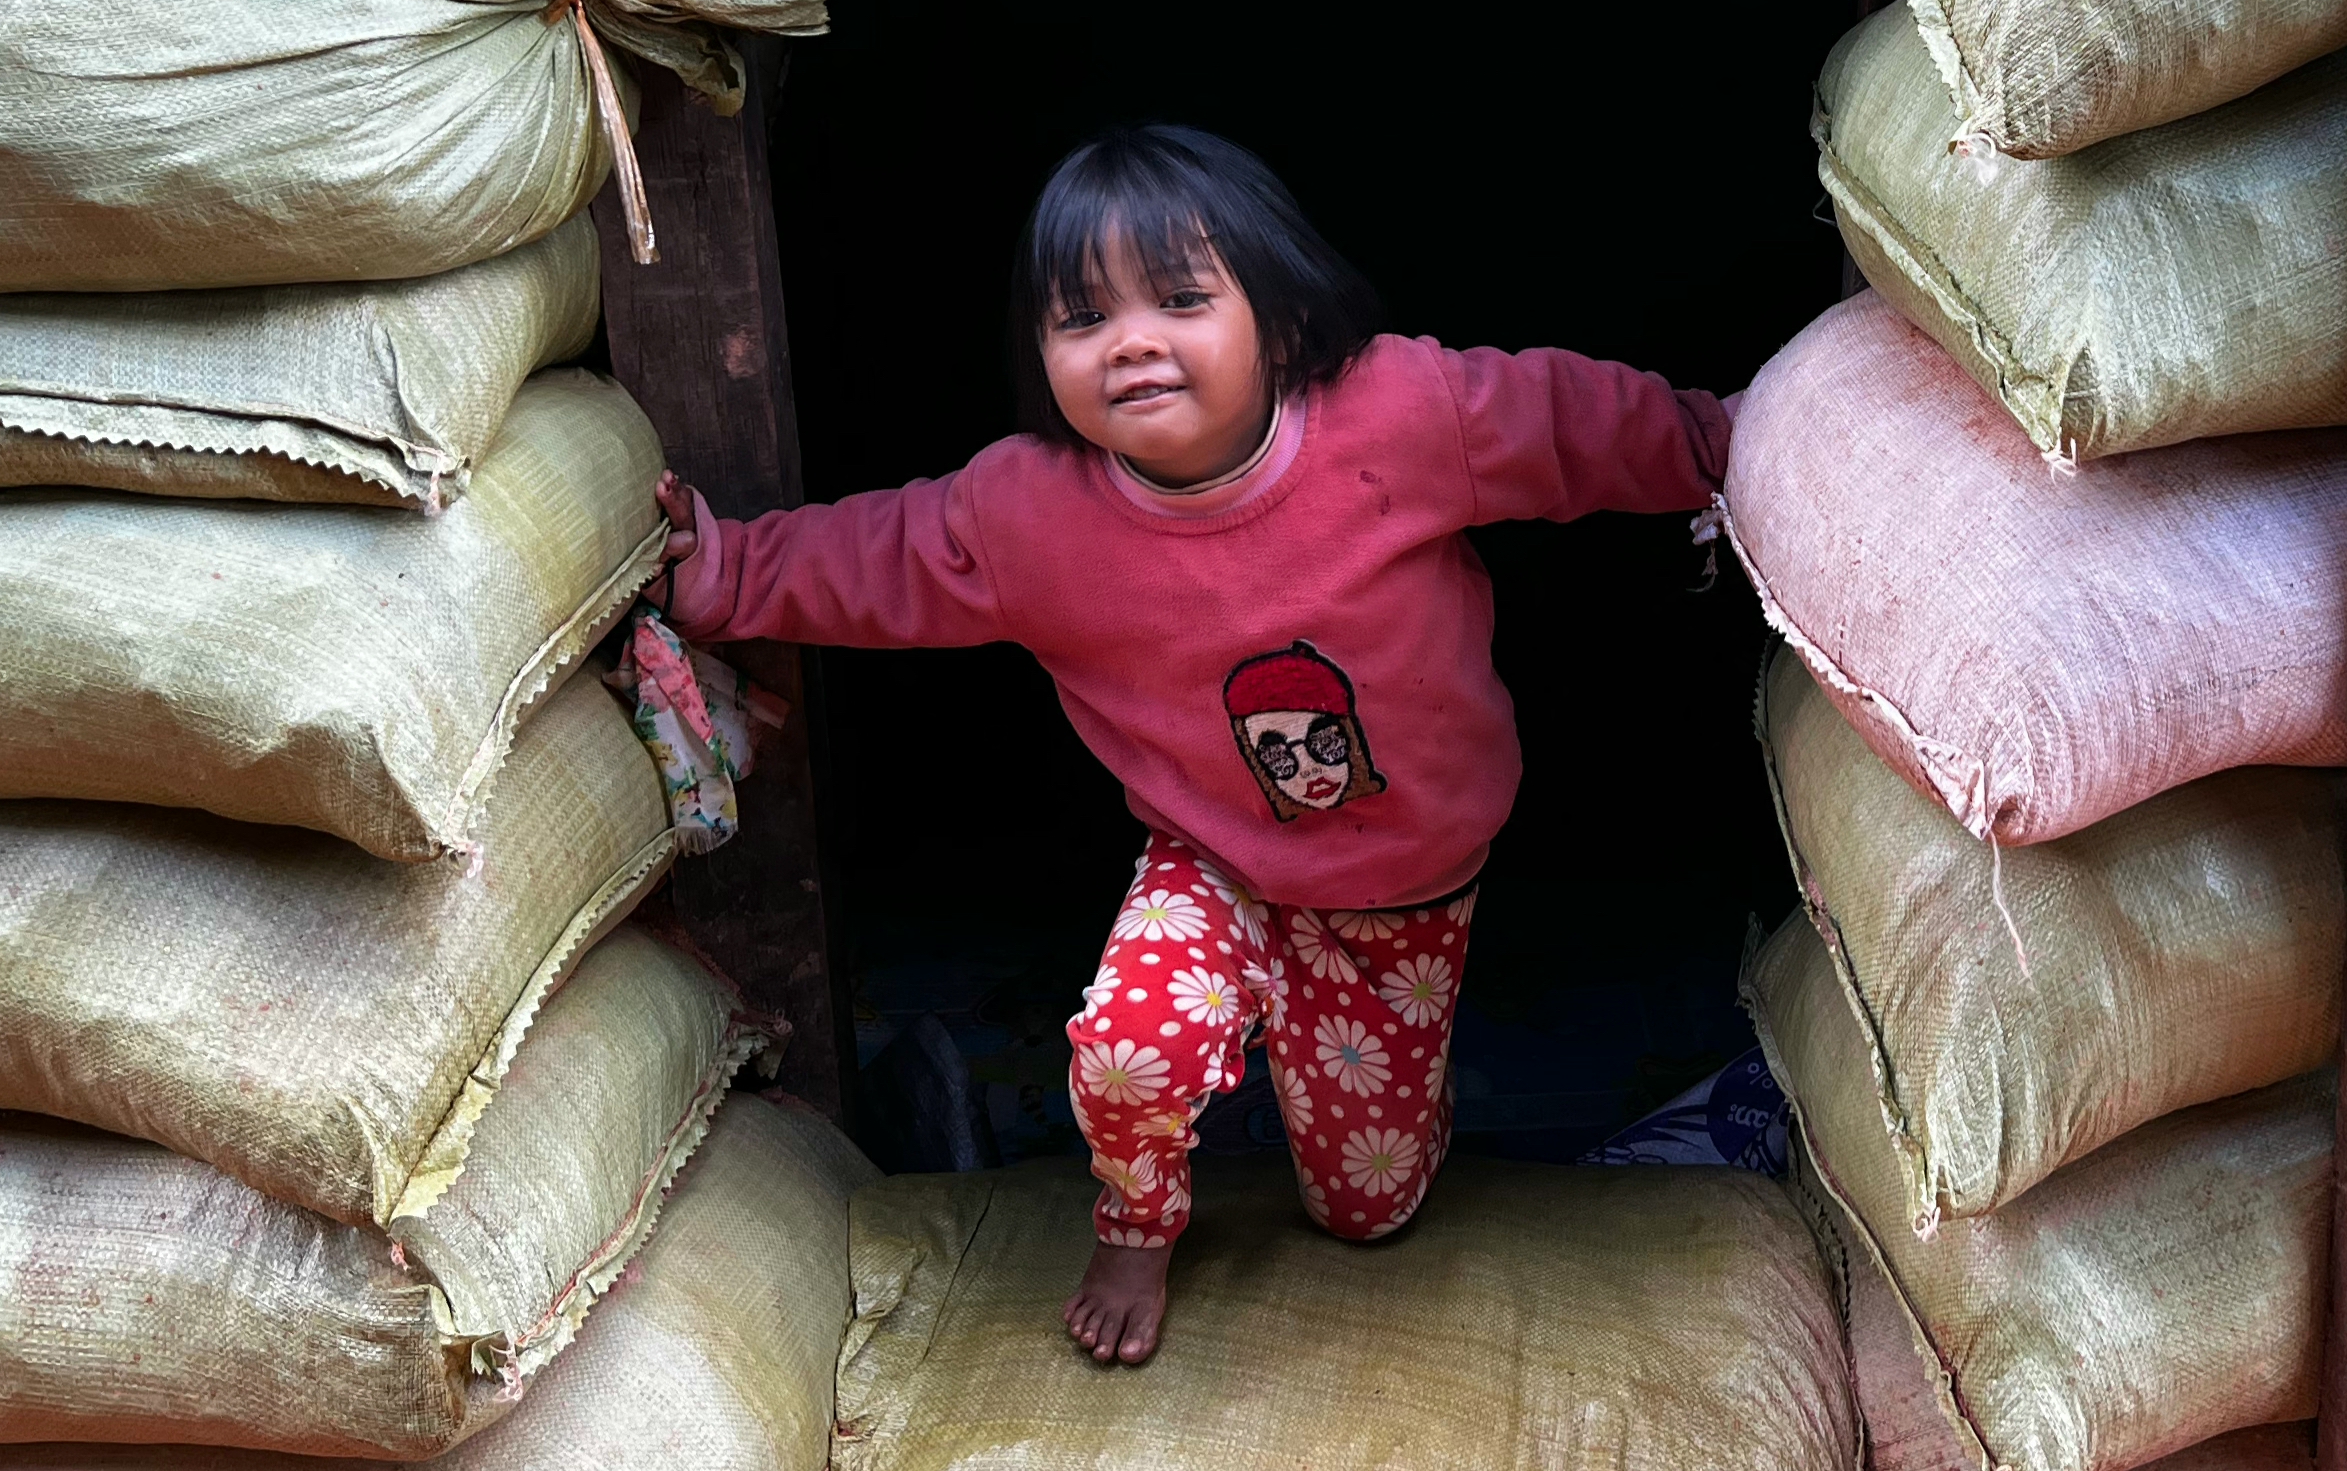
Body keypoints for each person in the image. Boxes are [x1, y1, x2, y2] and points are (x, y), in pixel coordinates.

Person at [648, 124, 1730, 1366]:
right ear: (1040, 355)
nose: (1130, 341)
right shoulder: (1028, 512)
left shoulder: (1401, 413)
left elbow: (1573, 424)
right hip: (1210, 861)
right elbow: (878, 557)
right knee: (1131, 1043)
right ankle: (1136, 1224)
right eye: (1081, 317)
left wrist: (1723, 444)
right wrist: (723, 572)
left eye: (1178, 300)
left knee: (1365, 1208)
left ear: (1282, 319)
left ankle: (1368, 1097)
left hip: (1404, 888)